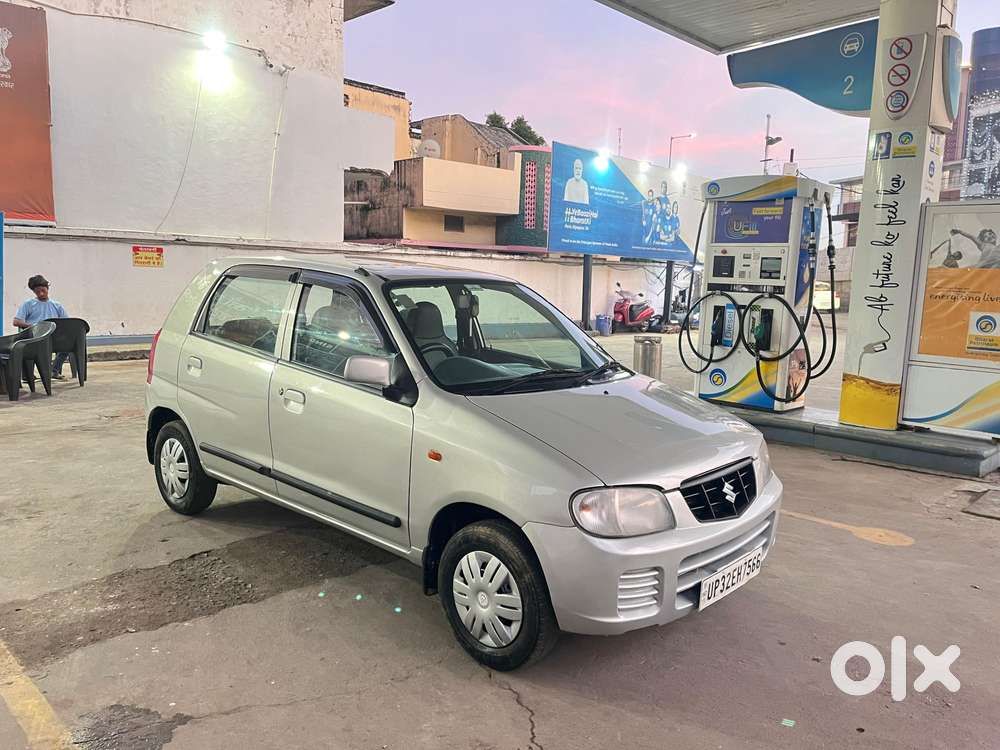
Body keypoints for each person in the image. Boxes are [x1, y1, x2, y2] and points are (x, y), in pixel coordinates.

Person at [13, 275, 70, 379]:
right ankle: (27, 374)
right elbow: (16, 321)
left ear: (47, 288)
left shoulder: (57, 306)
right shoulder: (28, 304)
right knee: (26, 346)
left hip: (53, 338)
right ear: (34, 292)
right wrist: (34, 326)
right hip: (35, 337)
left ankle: (54, 370)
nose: (41, 294)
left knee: (68, 345)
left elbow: (66, 323)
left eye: (43, 290)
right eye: (37, 292)